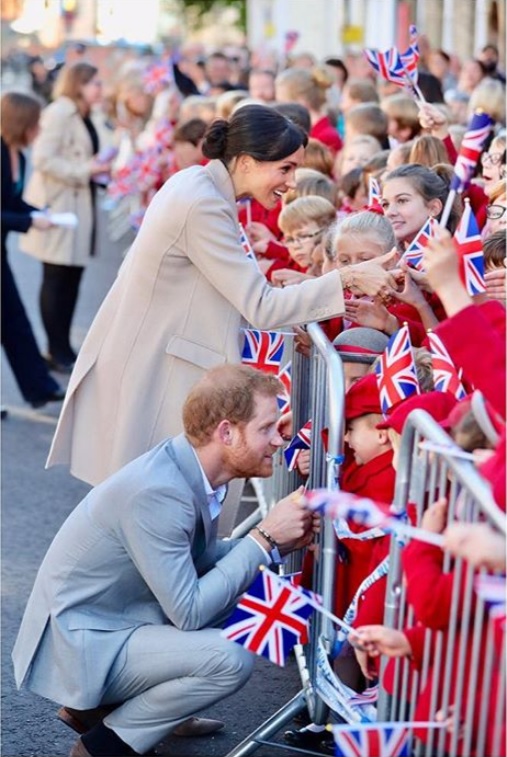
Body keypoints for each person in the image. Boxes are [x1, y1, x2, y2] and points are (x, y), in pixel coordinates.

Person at [46, 104, 398, 487]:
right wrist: (347, 278)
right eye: (285, 168)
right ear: (246, 162)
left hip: (158, 364)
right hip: (159, 374)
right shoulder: (204, 203)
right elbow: (260, 304)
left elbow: (225, 295)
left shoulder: (200, 187)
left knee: (147, 518)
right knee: (152, 518)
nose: (292, 182)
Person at [12, 364, 318, 757]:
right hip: (81, 644)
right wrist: (264, 538)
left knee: (253, 604)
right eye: (267, 428)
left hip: (114, 619)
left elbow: (204, 560)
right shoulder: (160, 492)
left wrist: (278, 545)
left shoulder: (189, 466)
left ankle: (114, 710)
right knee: (230, 659)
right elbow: (189, 611)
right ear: (226, 432)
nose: (280, 439)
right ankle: (105, 745)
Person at [19, 61, 112, 373]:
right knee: (56, 276)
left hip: (80, 201)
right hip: (58, 204)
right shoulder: (60, 112)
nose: (99, 88)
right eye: (94, 83)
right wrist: (84, 170)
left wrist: (97, 169)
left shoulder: (90, 115)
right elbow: (43, 158)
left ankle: (63, 346)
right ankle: (55, 348)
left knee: (72, 277)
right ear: (78, 84)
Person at [1, 91, 65, 410]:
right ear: (21, 123)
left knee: (14, 320)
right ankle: (39, 386)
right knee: (11, 318)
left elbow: (9, 202)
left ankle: (39, 387)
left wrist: (37, 213)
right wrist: (29, 220)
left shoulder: (18, 156)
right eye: (35, 123)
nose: (39, 129)